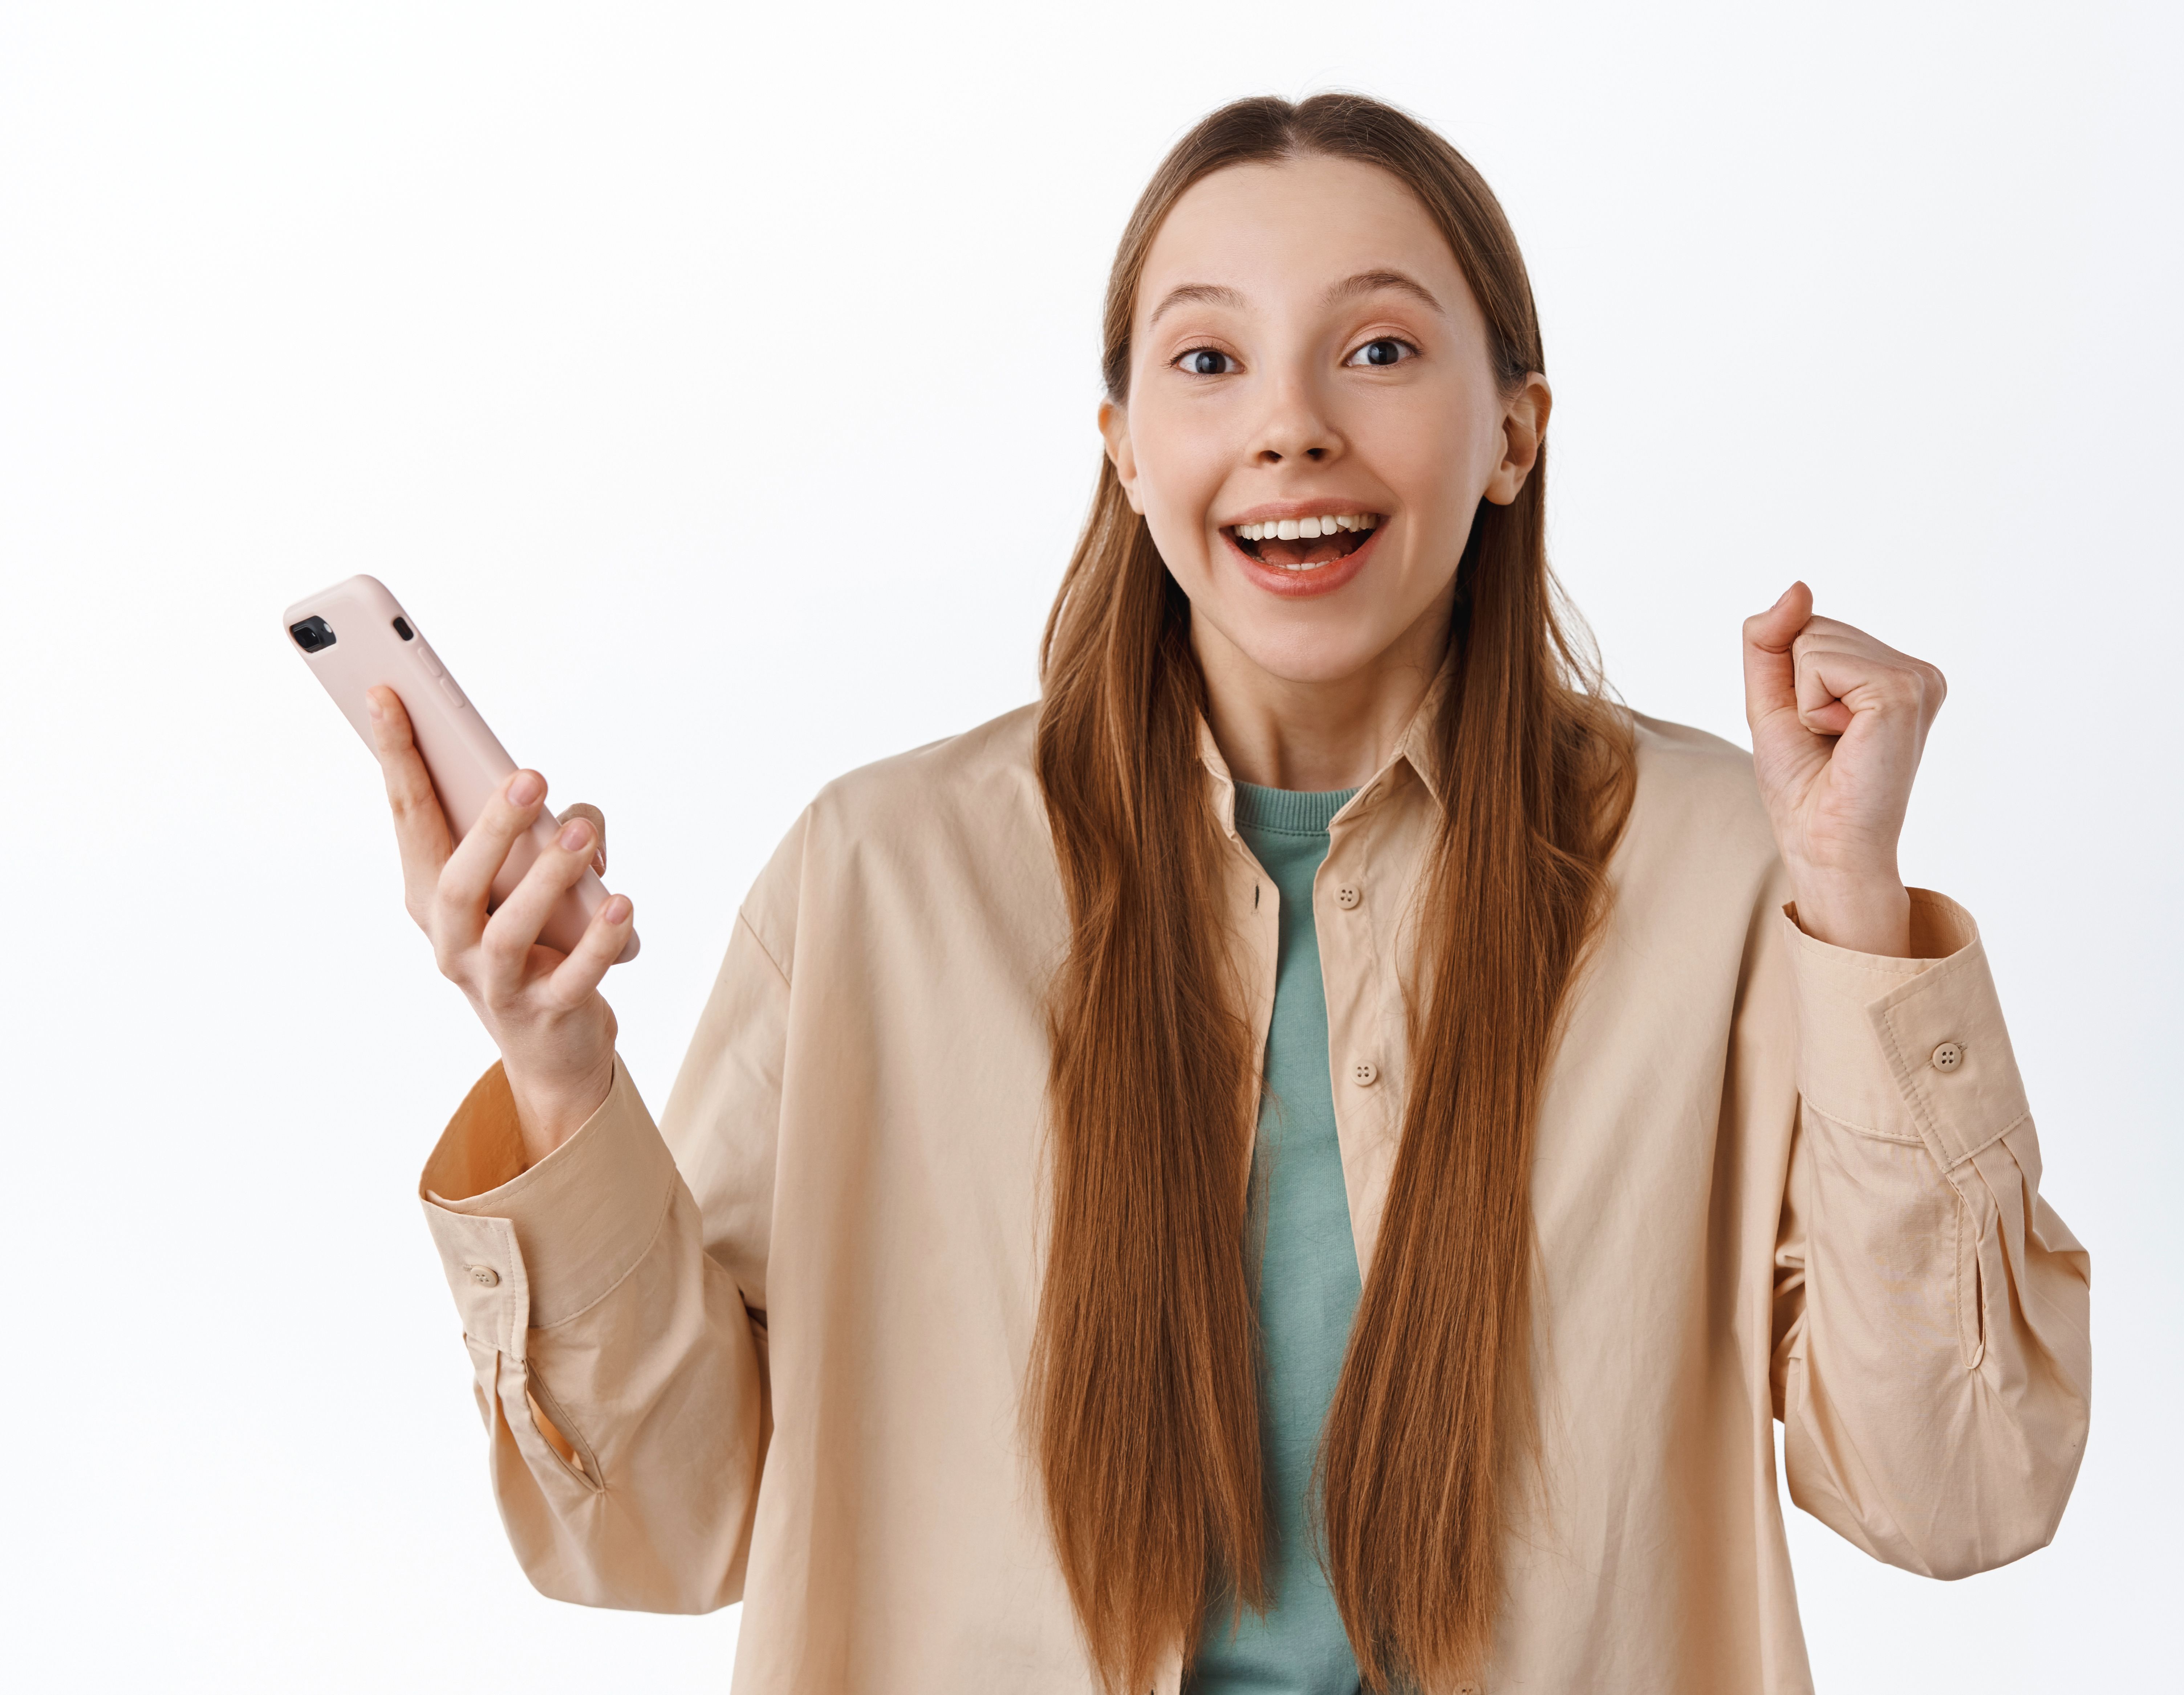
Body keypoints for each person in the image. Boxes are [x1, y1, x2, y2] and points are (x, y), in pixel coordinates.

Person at [372, 93, 2090, 1695]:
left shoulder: (1729, 871)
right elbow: (665, 1529)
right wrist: (561, 1073)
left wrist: (1855, 901)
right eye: (1210, 358)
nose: (1290, 425)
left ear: (1513, 432)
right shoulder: (881, 878)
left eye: (1380, 349)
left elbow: (1960, 1494)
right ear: (1124, 450)